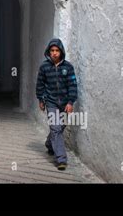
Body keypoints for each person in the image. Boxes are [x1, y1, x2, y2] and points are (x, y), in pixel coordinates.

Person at [36, 38, 77, 171]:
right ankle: (61, 159)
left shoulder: (68, 67)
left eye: (57, 50)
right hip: (51, 102)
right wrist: (41, 100)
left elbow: (72, 85)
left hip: (65, 103)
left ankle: (49, 144)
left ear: (61, 51)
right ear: (49, 52)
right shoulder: (44, 67)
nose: (54, 53)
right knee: (55, 128)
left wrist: (71, 102)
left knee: (59, 127)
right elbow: (40, 85)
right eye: (52, 50)